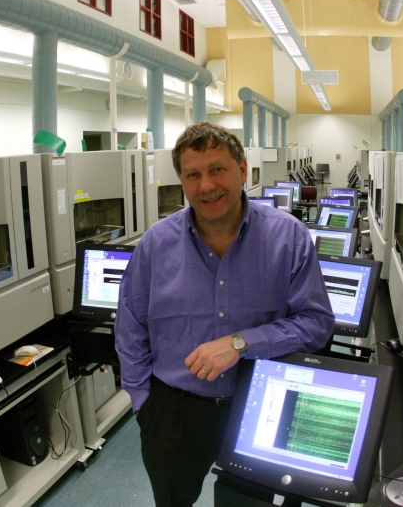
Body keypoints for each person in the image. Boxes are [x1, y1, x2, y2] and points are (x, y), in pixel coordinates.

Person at [115, 122, 334, 507]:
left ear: (243, 169)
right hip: (173, 412)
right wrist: (142, 402)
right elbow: (130, 327)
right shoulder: (155, 244)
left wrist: (241, 342)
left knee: (248, 503)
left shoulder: (288, 238)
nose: (206, 186)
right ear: (181, 180)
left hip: (258, 404)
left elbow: (316, 323)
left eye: (217, 169)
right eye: (193, 175)